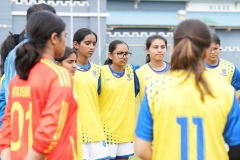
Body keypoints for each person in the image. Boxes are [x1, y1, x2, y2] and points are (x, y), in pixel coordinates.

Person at [135, 19, 240, 160]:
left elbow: (141, 150)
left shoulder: (155, 88)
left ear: (173, 48)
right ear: (207, 50)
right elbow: (236, 147)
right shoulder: (225, 90)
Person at [0, 11, 82, 160]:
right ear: (54, 38)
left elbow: (7, 125)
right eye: (65, 35)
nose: (65, 41)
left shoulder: (18, 77)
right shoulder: (59, 75)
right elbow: (50, 129)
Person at [0, 3, 56, 128]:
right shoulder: (29, 52)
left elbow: (4, 96)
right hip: (29, 130)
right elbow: (23, 96)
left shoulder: (19, 51)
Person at [73, 28, 110, 160]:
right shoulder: (65, 69)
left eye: (94, 44)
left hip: (96, 130)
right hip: (76, 131)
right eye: (87, 43)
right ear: (76, 44)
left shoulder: (97, 70)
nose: (92, 47)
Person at [100, 40, 139, 160]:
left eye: (127, 53)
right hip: (105, 132)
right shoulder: (100, 72)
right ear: (110, 55)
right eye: (120, 53)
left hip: (125, 133)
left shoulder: (133, 72)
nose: (124, 57)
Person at [136, 35, 170, 102]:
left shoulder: (174, 70)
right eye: (155, 47)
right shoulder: (139, 72)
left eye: (163, 47)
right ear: (148, 50)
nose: (159, 50)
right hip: (148, 112)